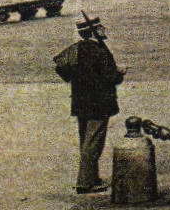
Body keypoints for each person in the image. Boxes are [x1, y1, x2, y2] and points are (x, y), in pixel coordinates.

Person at [52, 13, 125, 194]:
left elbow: (63, 70)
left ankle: (91, 177)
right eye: (100, 27)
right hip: (99, 104)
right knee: (94, 143)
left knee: (86, 141)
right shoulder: (99, 50)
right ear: (93, 31)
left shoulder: (78, 49)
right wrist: (120, 73)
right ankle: (85, 182)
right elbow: (111, 77)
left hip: (80, 103)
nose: (103, 29)